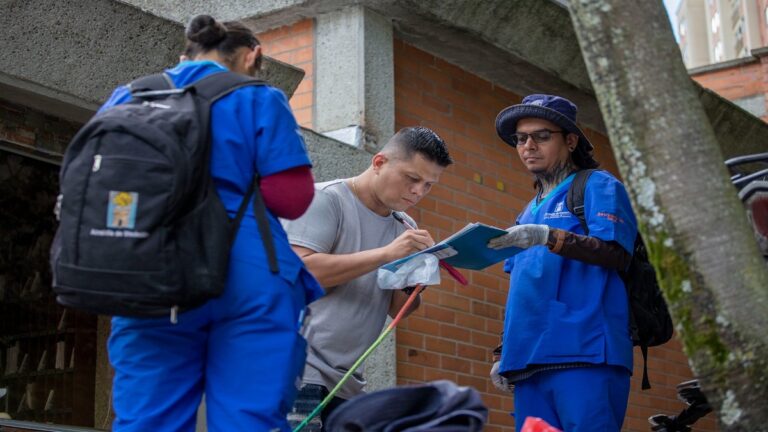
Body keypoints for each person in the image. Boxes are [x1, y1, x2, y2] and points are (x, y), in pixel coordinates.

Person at [101, 15, 324, 431]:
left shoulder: (127, 97)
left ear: (182, 55)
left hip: (147, 276)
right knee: (247, 419)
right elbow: (291, 200)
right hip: (245, 277)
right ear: (252, 55)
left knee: (147, 419)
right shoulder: (258, 97)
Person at [283, 126, 453, 429]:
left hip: (347, 381)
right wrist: (386, 255)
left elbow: (397, 308)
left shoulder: (405, 226)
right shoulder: (325, 199)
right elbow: (301, 274)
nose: (418, 191)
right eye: (412, 178)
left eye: (428, 185)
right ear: (379, 163)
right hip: (297, 369)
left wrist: (417, 278)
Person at [488, 94, 638, 431]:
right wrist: (502, 351)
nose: (529, 145)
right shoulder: (526, 211)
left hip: (585, 354)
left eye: (541, 136)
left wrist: (549, 237)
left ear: (570, 141)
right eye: (521, 138)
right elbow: (521, 287)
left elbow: (616, 252)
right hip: (526, 362)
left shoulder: (598, 185)